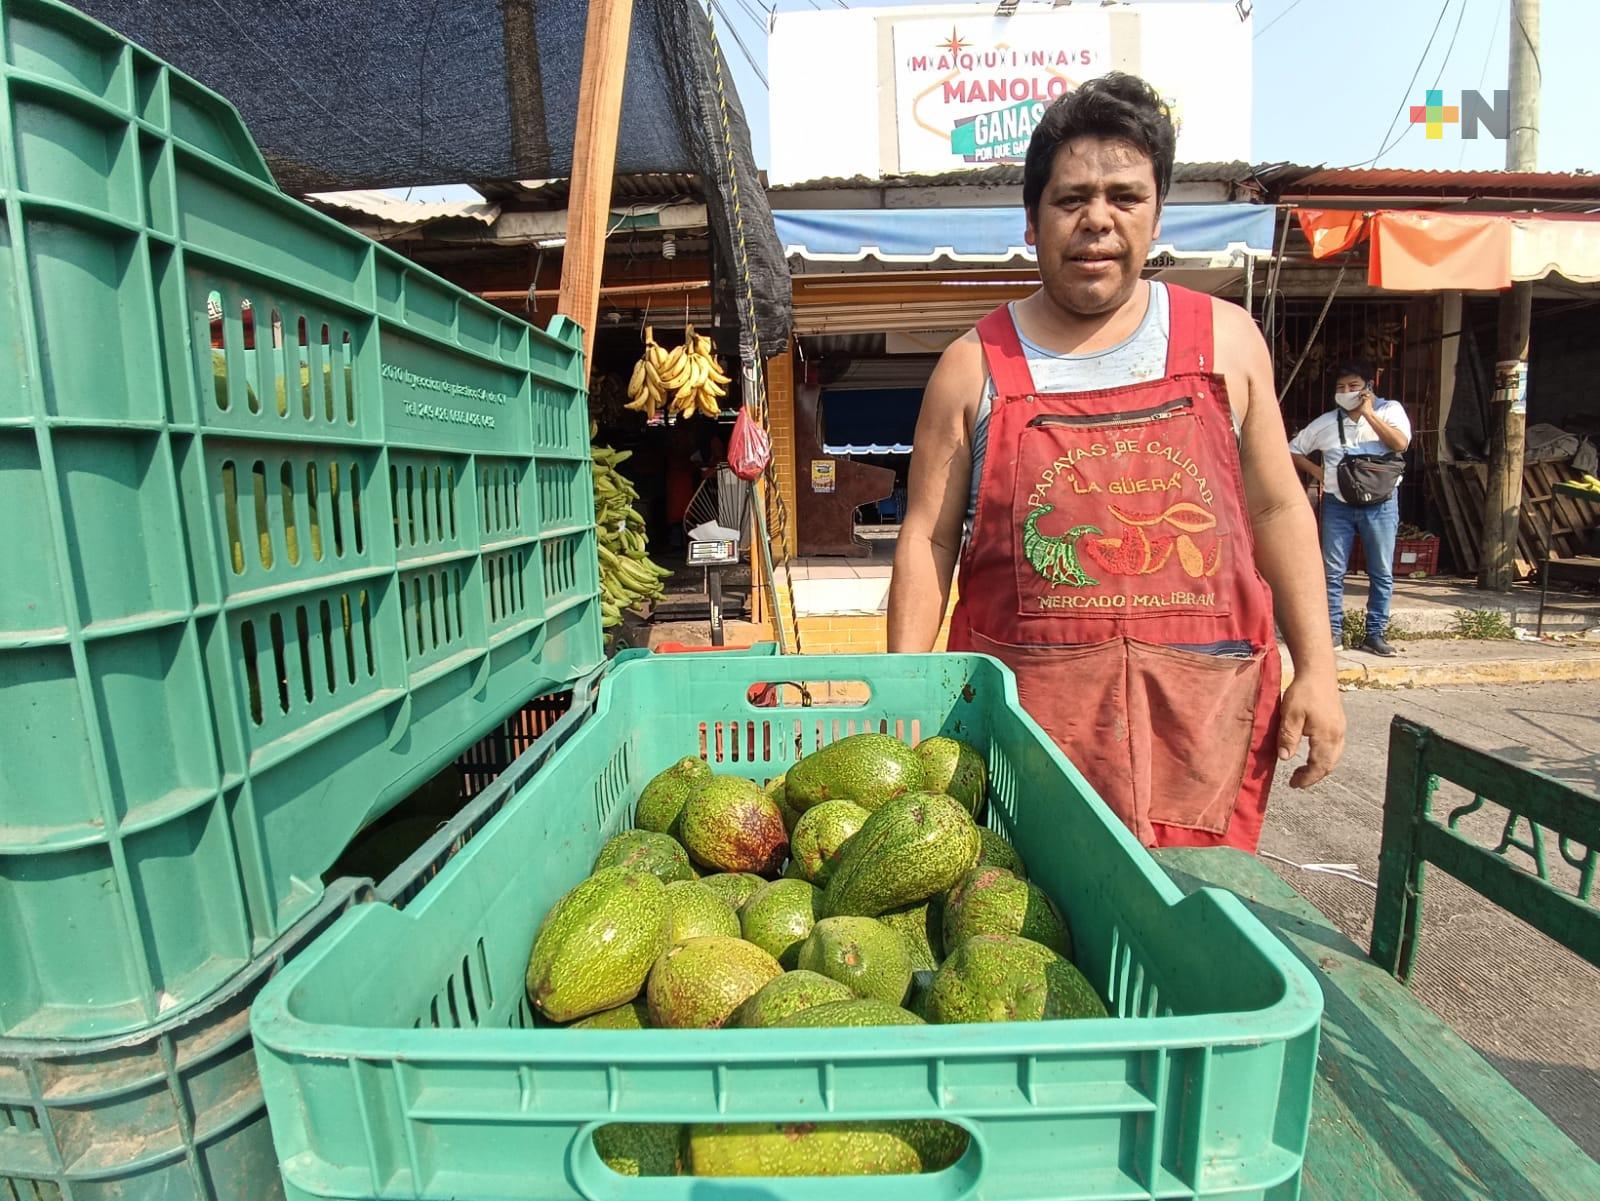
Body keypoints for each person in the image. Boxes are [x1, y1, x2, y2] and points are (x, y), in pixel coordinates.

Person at [886, 74, 1344, 852]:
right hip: (1029, 733)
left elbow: (1276, 509)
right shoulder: (972, 368)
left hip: (1201, 720)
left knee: (1193, 930)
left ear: (1156, 212)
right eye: (1071, 199)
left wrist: (1321, 670)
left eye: (1124, 196)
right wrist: (900, 697)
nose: (1097, 219)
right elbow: (928, 539)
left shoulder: (1227, 342)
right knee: (1026, 944)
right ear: (1031, 222)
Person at [1288, 364, 1412, 657]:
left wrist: (1369, 413)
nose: (1346, 393)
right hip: (1338, 506)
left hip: (1382, 505)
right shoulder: (1326, 423)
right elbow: (1292, 449)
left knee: (1381, 572)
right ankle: (1333, 632)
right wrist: (1320, 474)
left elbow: (1400, 444)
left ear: (1368, 386)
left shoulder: (1389, 411)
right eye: (1340, 388)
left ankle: (1375, 634)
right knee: (1332, 572)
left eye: (1353, 386)